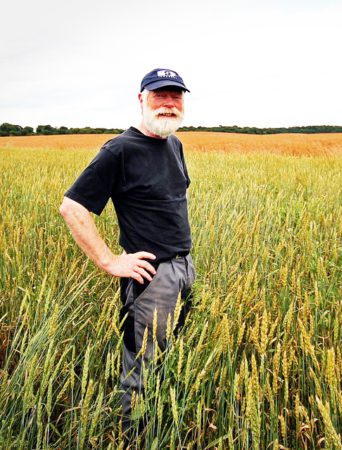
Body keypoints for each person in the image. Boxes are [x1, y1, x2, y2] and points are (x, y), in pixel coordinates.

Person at [59, 68, 195, 434]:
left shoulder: (174, 144)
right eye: (159, 96)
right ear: (141, 99)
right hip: (150, 279)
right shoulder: (119, 150)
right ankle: (135, 436)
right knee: (142, 364)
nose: (168, 104)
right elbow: (72, 207)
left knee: (171, 355)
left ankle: (163, 425)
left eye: (176, 96)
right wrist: (109, 260)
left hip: (184, 268)